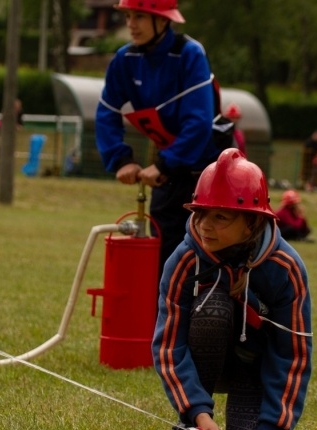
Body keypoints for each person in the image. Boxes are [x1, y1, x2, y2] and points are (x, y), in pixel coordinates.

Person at [136, 148, 312, 430]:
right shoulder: (184, 259)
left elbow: (293, 353)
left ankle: (250, 425)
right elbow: (168, 345)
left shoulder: (285, 268)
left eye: (221, 217)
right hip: (206, 359)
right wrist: (197, 413)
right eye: (201, 213)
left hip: (255, 368)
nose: (205, 226)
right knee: (214, 307)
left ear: (252, 223)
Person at [95, 0, 223, 279]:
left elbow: (198, 122)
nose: (131, 24)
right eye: (128, 16)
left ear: (164, 21)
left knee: (212, 259)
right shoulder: (124, 60)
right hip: (167, 172)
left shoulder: (190, 54)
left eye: (139, 16)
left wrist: (165, 165)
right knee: (166, 261)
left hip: (208, 172)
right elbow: (107, 112)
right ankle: (165, 320)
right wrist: (121, 159)